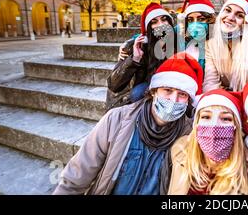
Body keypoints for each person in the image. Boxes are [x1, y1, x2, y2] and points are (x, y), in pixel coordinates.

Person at [53, 52, 203, 195]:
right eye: (167, 90)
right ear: (153, 92)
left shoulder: (190, 136)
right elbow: (78, 174)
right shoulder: (117, 120)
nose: (173, 100)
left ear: (189, 100)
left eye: (182, 94)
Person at [164, 89, 248, 195]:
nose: (214, 125)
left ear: (235, 127)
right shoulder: (180, 150)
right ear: (196, 124)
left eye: (225, 119)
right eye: (206, 117)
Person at [106, 3, 176, 109]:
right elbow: (113, 85)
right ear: (148, 28)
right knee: (138, 92)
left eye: (164, 19)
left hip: (162, 92)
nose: (161, 25)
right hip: (133, 100)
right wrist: (134, 59)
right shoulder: (136, 46)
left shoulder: (175, 43)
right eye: (154, 22)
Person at [177, 0, 216, 71]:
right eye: (190, 20)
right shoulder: (184, 42)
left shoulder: (216, 44)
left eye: (201, 19)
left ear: (210, 20)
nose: (195, 24)